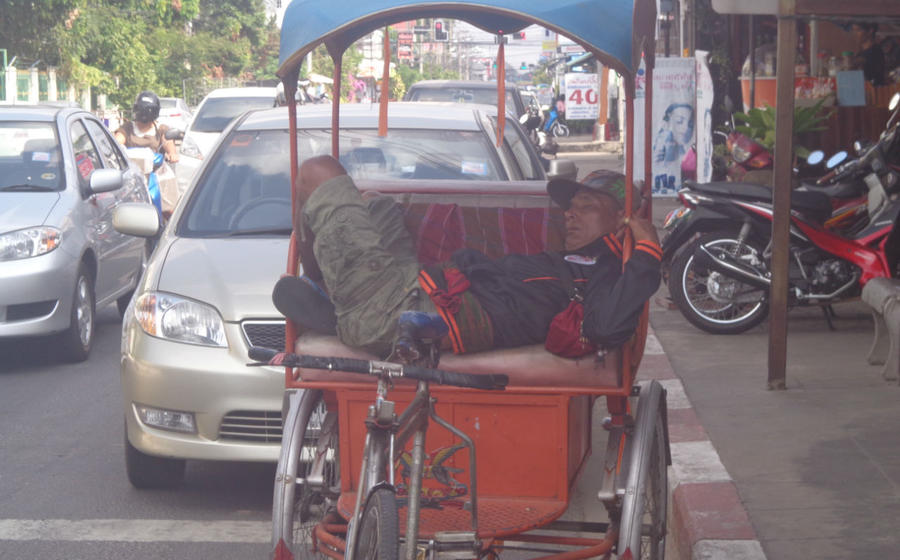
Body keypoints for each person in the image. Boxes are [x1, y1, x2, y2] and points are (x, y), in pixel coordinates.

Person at [274, 155, 662, 360]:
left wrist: (646, 250)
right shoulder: (571, 261)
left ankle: (347, 313)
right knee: (377, 205)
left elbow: (606, 328)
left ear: (620, 220)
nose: (570, 214)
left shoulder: (607, 272)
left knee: (315, 171)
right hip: (413, 282)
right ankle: (341, 301)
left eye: (587, 206)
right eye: (570, 207)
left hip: (409, 304)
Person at [114, 91, 179, 163]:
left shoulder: (161, 129)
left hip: (157, 170)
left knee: (169, 174)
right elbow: (117, 141)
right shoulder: (127, 128)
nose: (144, 114)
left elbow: (168, 142)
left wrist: (172, 154)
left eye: (148, 111)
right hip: (131, 170)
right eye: (141, 110)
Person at [850, 22, 886, 87]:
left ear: (870, 31)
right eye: (853, 30)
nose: (854, 34)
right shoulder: (860, 53)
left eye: (858, 30)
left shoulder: (876, 51)